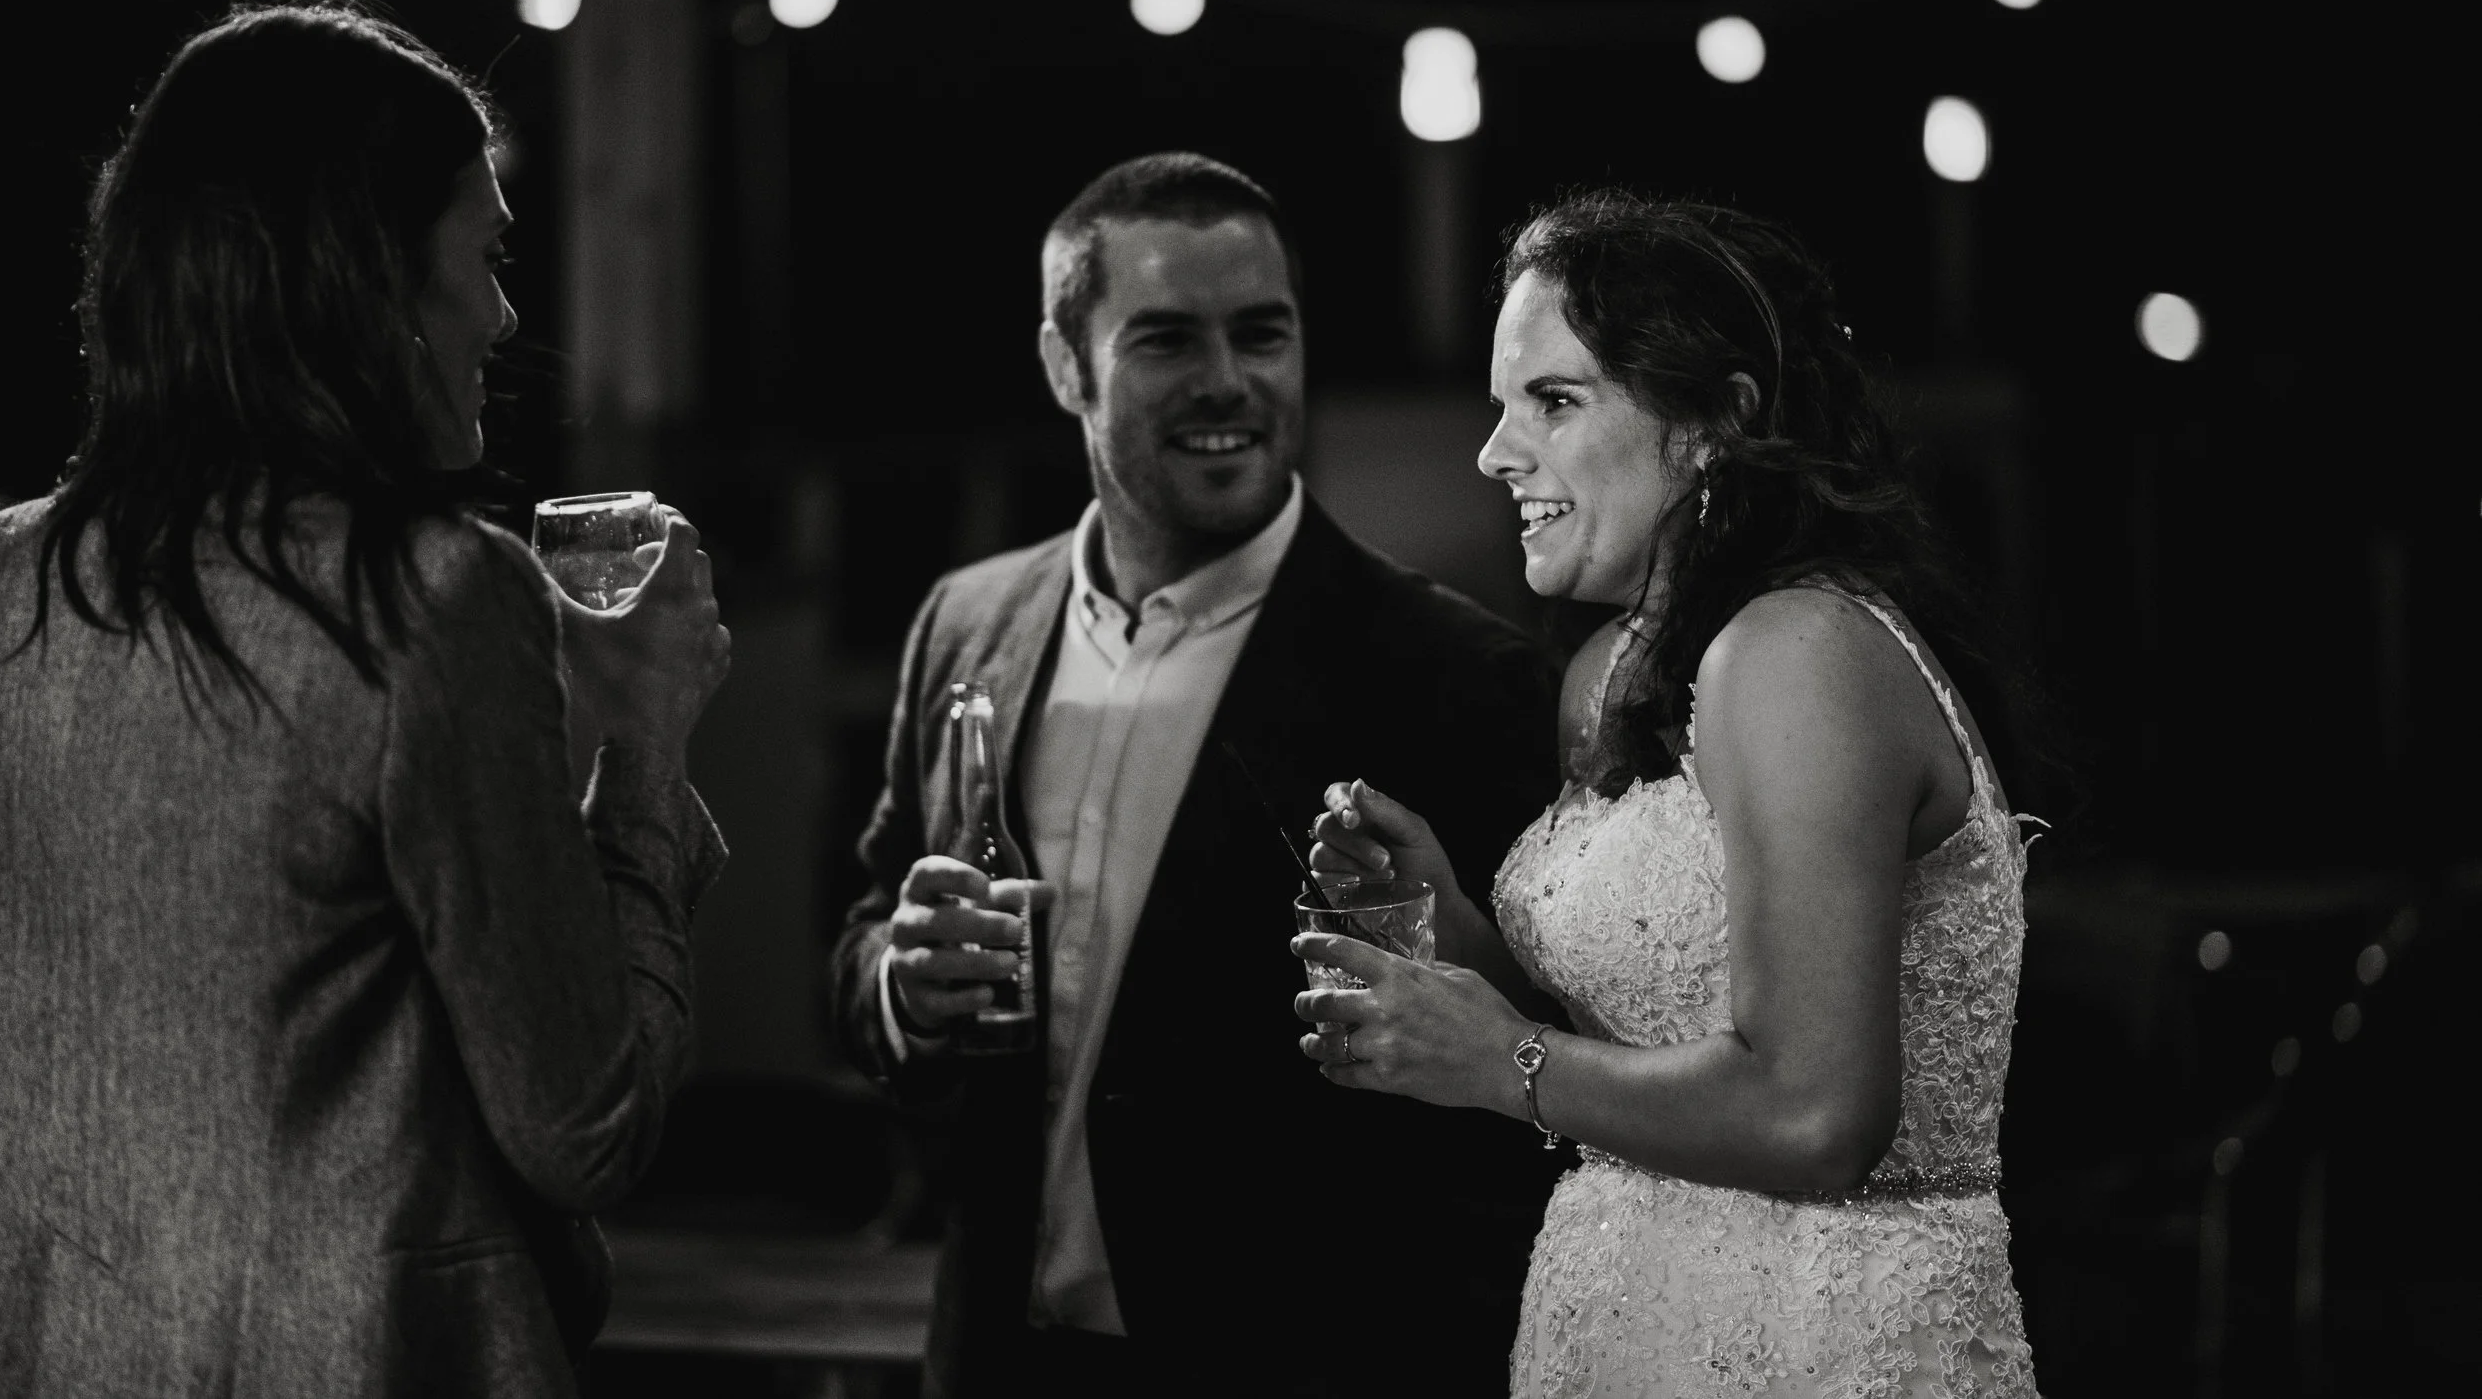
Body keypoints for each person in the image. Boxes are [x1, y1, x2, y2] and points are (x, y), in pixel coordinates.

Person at [0, 3, 732, 1394]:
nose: (505, 316)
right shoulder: (437, 594)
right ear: (368, 272)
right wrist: (645, 742)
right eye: (488, 255)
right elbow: (588, 1122)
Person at [831, 152, 1563, 1397]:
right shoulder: (963, 623)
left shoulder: (1453, 671)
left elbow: (1520, 1092)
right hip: (993, 1356)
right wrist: (898, 980)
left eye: (1261, 334)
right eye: (1167, 339)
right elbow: (855, 938)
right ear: (1066, 365)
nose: (1229, 382)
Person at [1294, 190, 2042, 1395]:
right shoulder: (1614, 675)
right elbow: (1640, 1058)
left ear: (1713, 424)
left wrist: (1499, 1060)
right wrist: (1447, 934)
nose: (1494, 452)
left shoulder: (1800, 650)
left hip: (1817, 1332)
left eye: (1553, 400)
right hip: (1625, 1323)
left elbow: (1814, 1116)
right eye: (1500, 406)